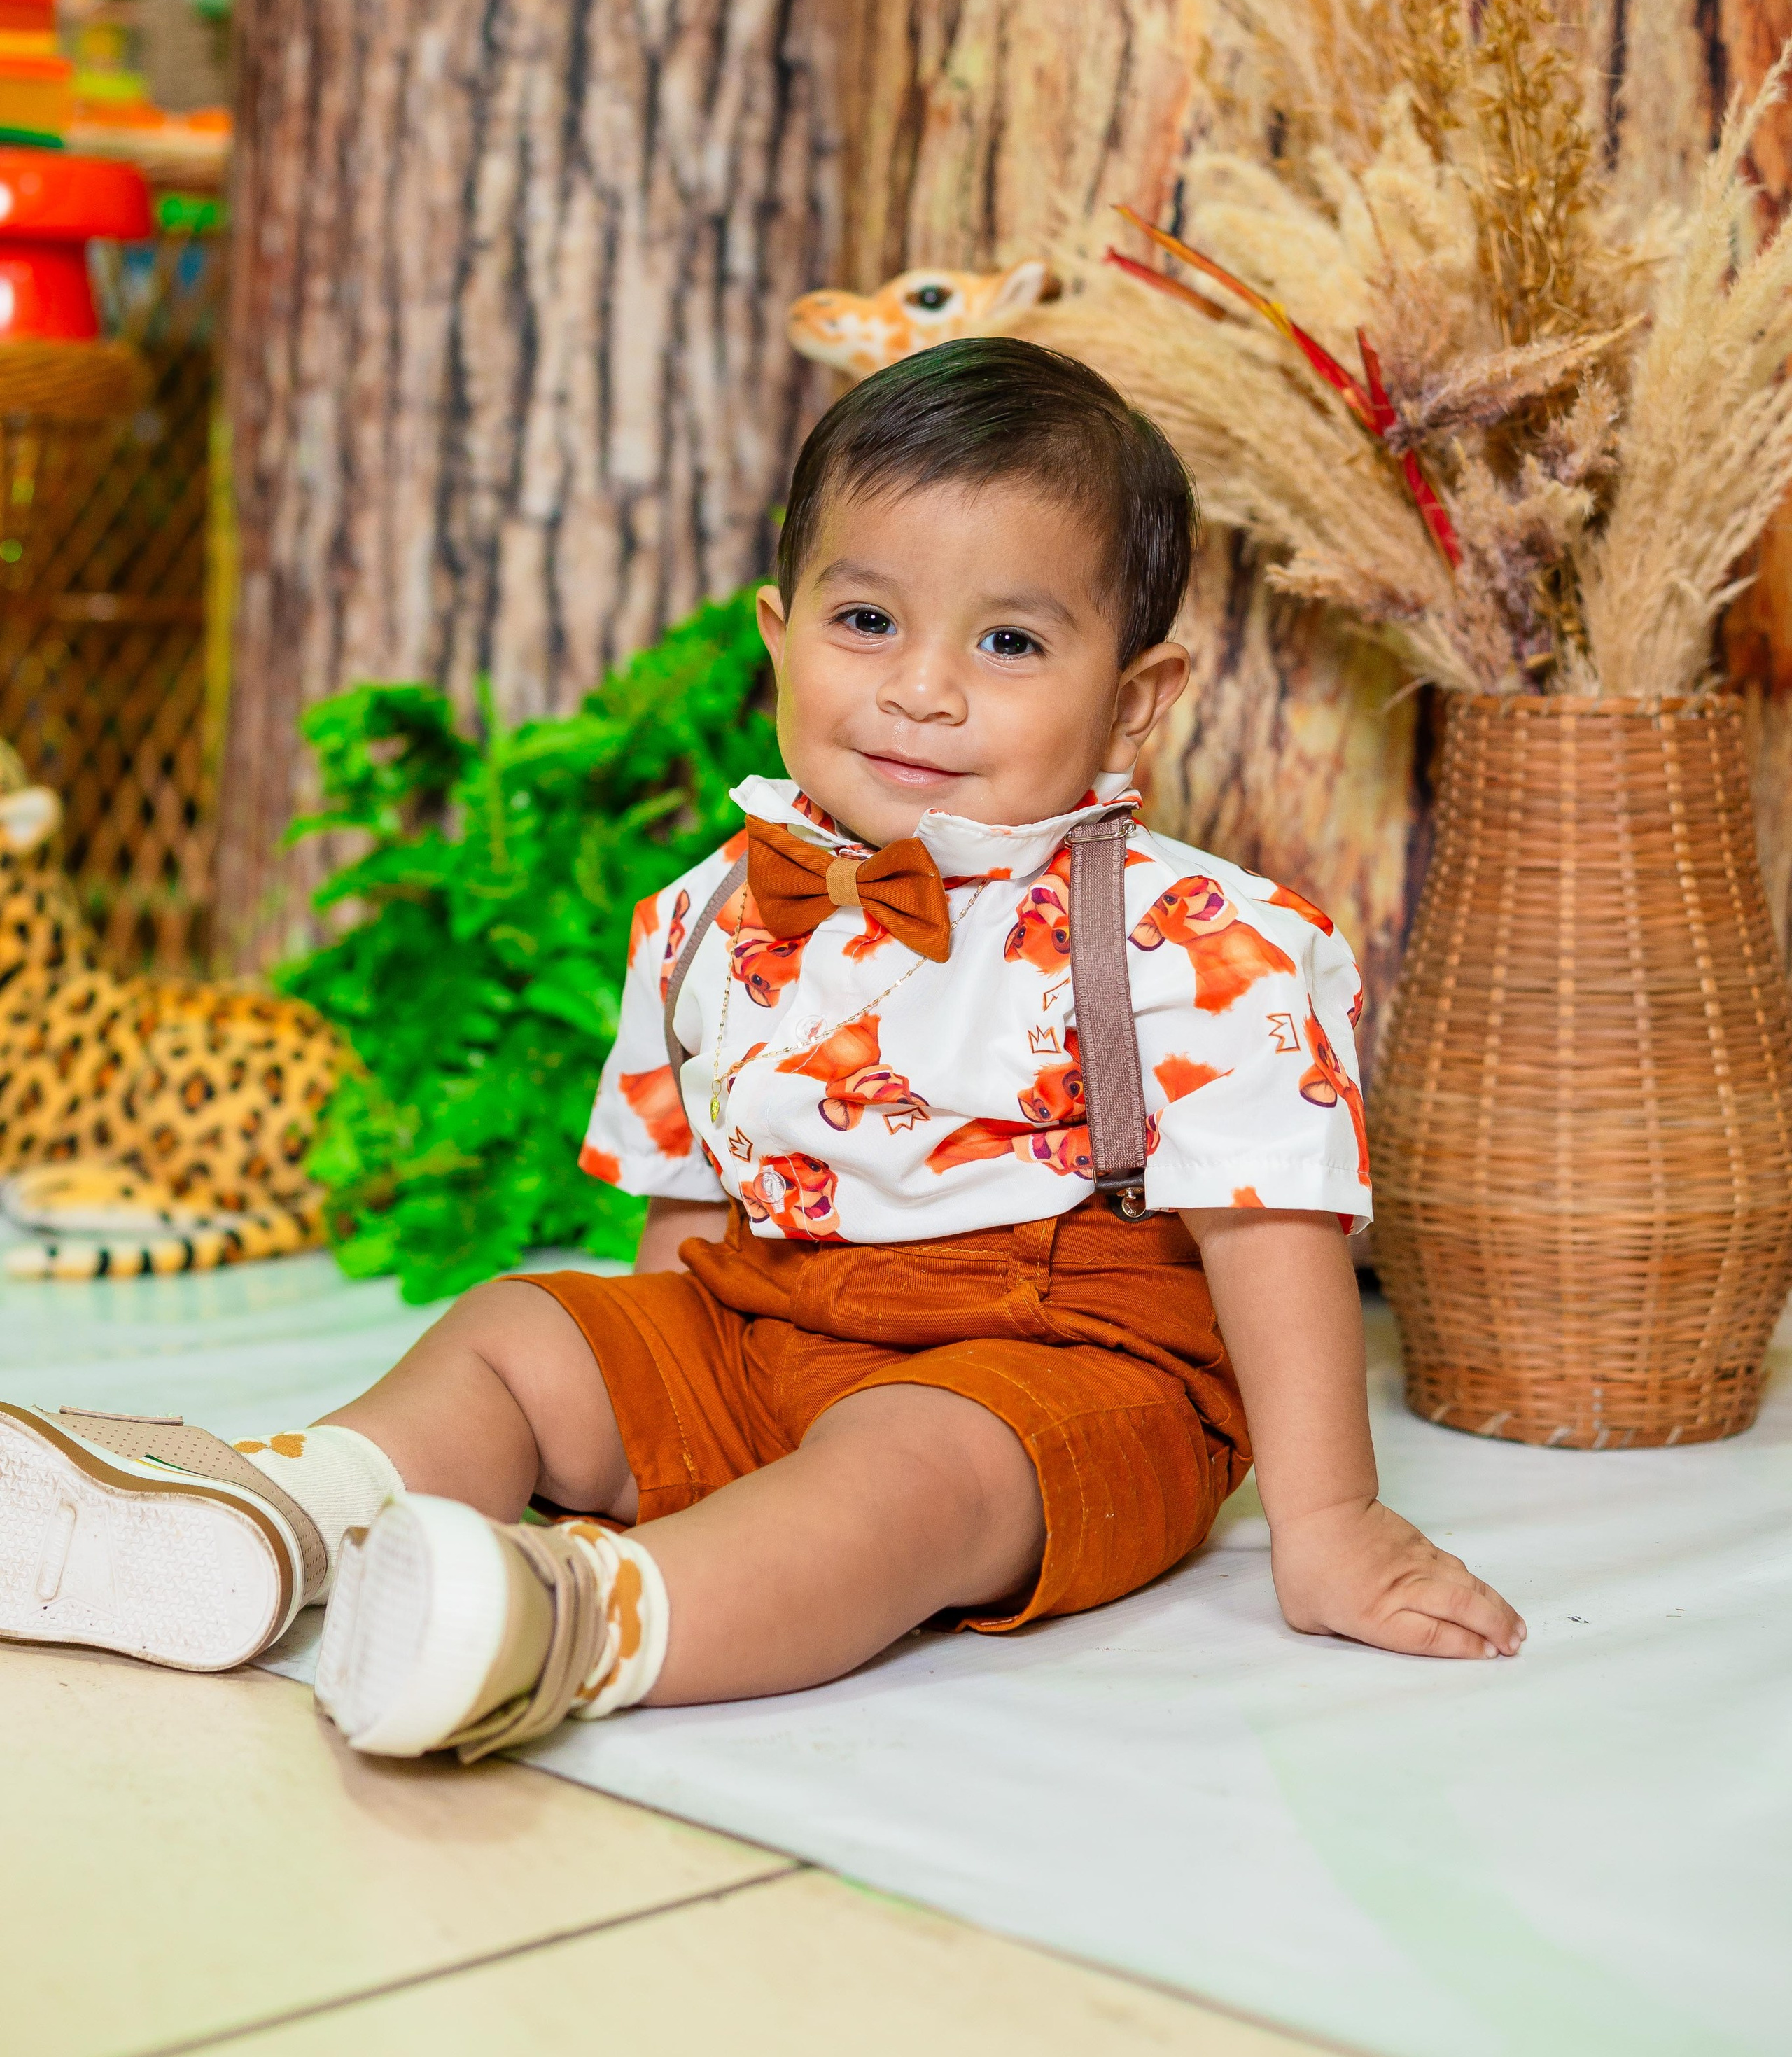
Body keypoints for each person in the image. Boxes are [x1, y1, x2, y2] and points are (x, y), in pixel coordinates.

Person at [0, 339, 1522, 1755]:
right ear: (779, 639)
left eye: (1005, 640)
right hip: (769, 1310)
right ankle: (277, 1521)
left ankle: (569, 1623)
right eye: (868, 622)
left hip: (1061, 1365)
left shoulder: (1195, 936)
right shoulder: (704, 914)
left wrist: (1325, 1521)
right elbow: (688, 1208)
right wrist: (658, 1403)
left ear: (1132, 706)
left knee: (904, 1478)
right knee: (517, 1330)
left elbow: (1269, 1237)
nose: (920, 688)